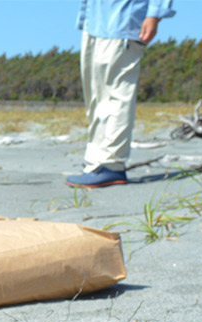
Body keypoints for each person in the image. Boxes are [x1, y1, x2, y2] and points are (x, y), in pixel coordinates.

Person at [66, 1, 175, 188]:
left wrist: (154, 15)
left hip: (123, 22)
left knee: (118, 96)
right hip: (94, 22)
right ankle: (95, 164)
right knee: (96, 99)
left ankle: (111, 165)